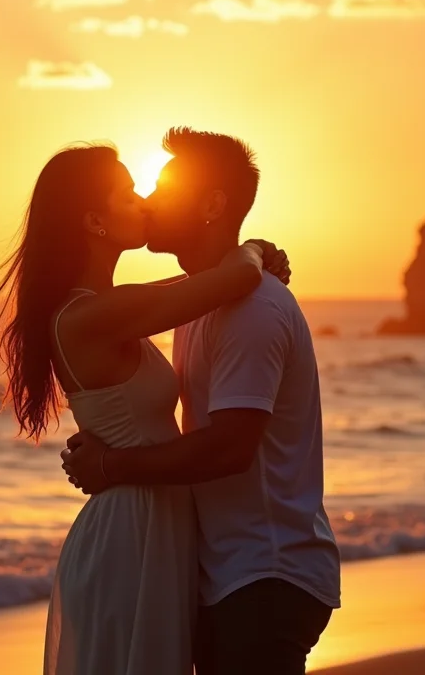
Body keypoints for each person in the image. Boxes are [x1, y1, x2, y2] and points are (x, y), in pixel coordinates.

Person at [0, 141, 291, 675]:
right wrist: (253, 247)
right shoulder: (91, 315)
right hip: (128, 533)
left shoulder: (113, 307)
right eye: (129, 191)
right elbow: (234, 279)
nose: (143, 200)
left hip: (152, 525)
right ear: (95, 219)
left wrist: (247, 258)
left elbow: (201, 285)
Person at [61, 127, 341, 675]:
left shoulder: (251, 308)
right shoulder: (205, 299)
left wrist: (110, 463)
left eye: (165, 187)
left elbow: (229, 449)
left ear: (212, 204)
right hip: (229, 570)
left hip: (267, 572)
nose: (150, 199)